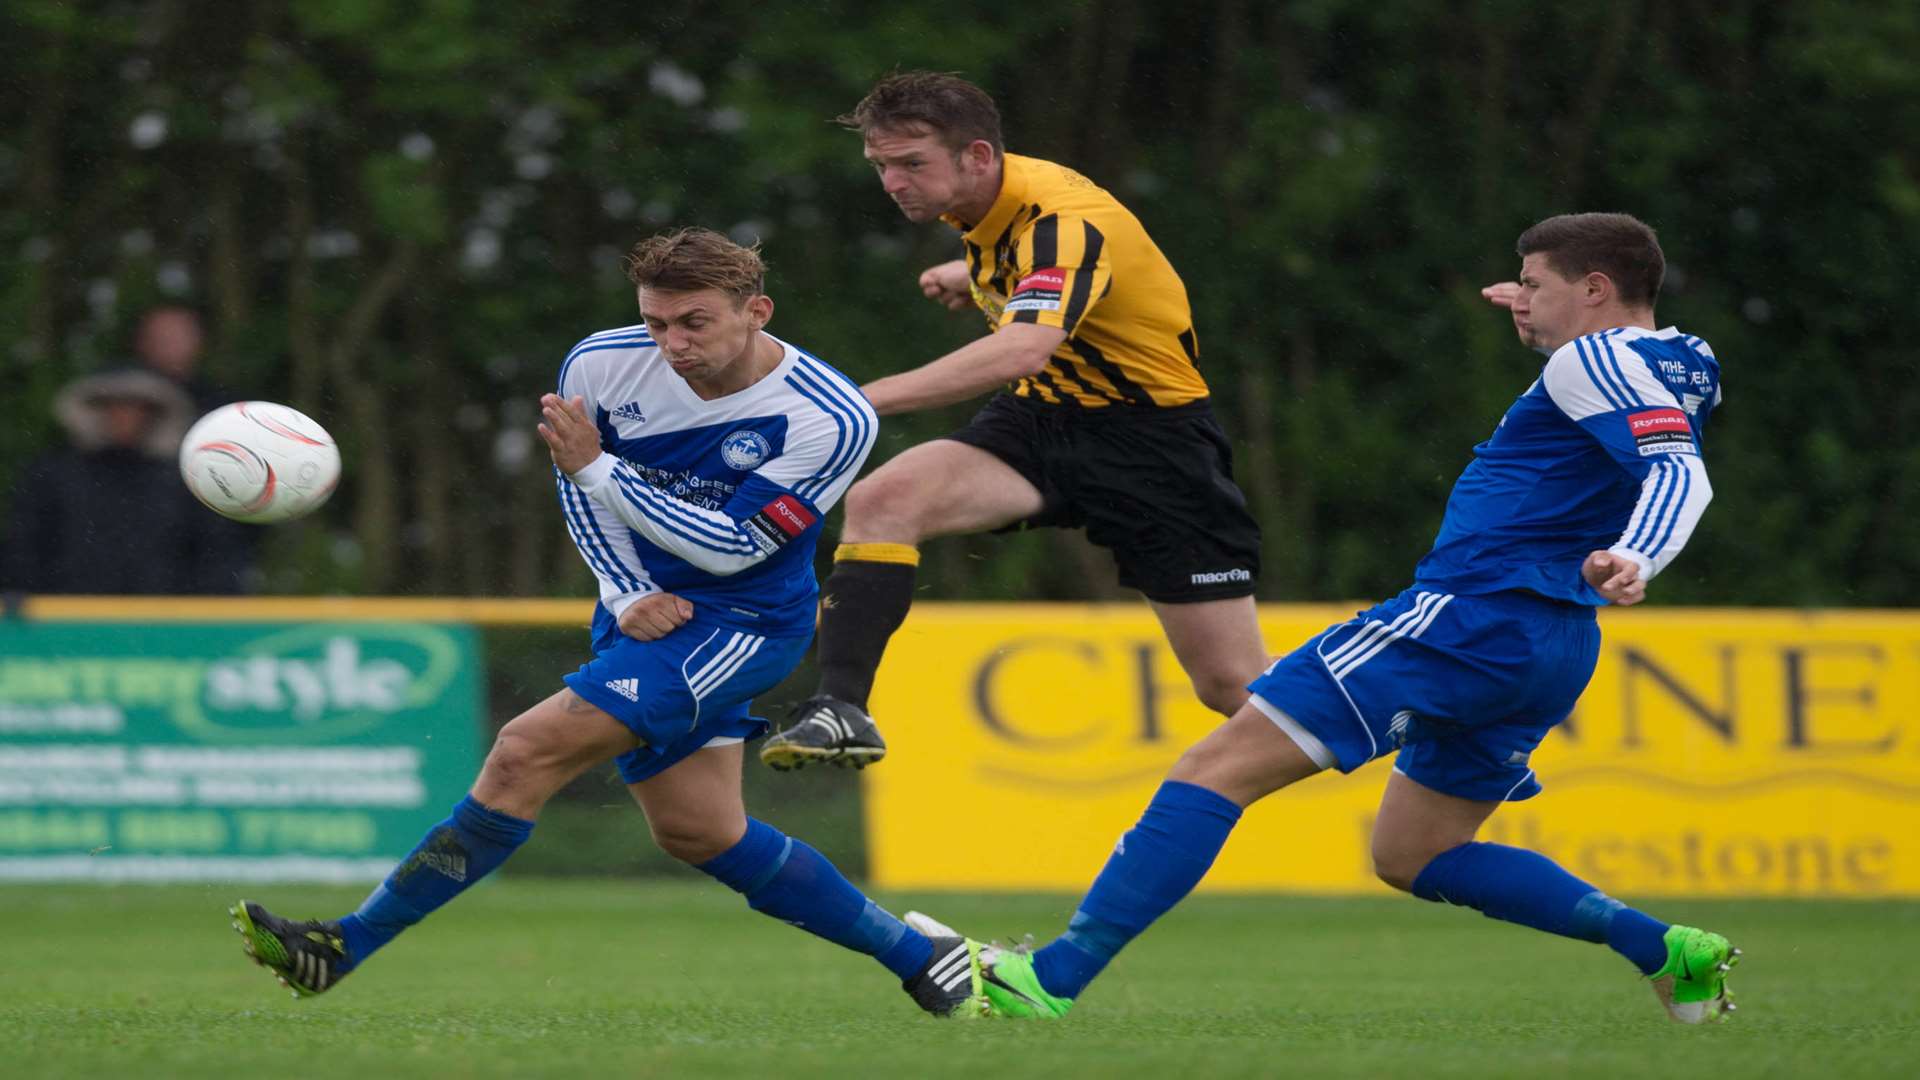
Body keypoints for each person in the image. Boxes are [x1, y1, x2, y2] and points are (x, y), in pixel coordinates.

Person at [927, 213, 1740, 1024]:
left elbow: (1677, 470)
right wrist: (1545, 308)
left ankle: (1048, 981)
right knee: (1414, 853)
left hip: (1467, 620)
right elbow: (1631, 390)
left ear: (1595, 289)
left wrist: (1637, 554)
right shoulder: (1685, 358)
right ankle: (1664, 949)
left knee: (1214, 770)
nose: (1521, 300)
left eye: (1534, 285)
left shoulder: (1594, 358)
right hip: (1553, 642)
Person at [230, 228, 991, 1018]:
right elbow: (576, 485)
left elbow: (729, 546)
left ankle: (343, 945)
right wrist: (625, 588)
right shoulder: (601, 361)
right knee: (700, 833)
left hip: (743, 623)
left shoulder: (831, 416)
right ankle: (927, 961)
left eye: (694, 323)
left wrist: (599, 466)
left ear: (756, 311)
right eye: (657, 323)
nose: (671, 345)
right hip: (641, 612)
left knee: (523, 753)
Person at [756, 71, 1269, 771]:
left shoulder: (1063, 220)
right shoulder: (986, 205)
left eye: (912, 164)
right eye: (881, 166)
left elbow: (1026, 345)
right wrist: (970, 276)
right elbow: (1044, 279)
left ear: (977, 157)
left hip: (1154, 444)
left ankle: (1419, 731)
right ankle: (841, 708)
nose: (893, 183)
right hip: (1041, 422)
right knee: (884, 497)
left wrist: (864, 397)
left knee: (1232, 688)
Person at [0, 368, 253, 595]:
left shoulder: (183, 480)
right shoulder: (56, 474)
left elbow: (216, 552)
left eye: (134, 408)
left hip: (164, 624)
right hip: (69, 621)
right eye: (114, 407)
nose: (123, 417)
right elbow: (24, 544)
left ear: (151, 414)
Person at [132, 304, 233, 414]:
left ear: (199, 340)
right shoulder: (123, 397)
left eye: (177, 335)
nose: (169, 344)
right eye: (161, 336)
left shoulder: (222, 404)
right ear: (141, 342)